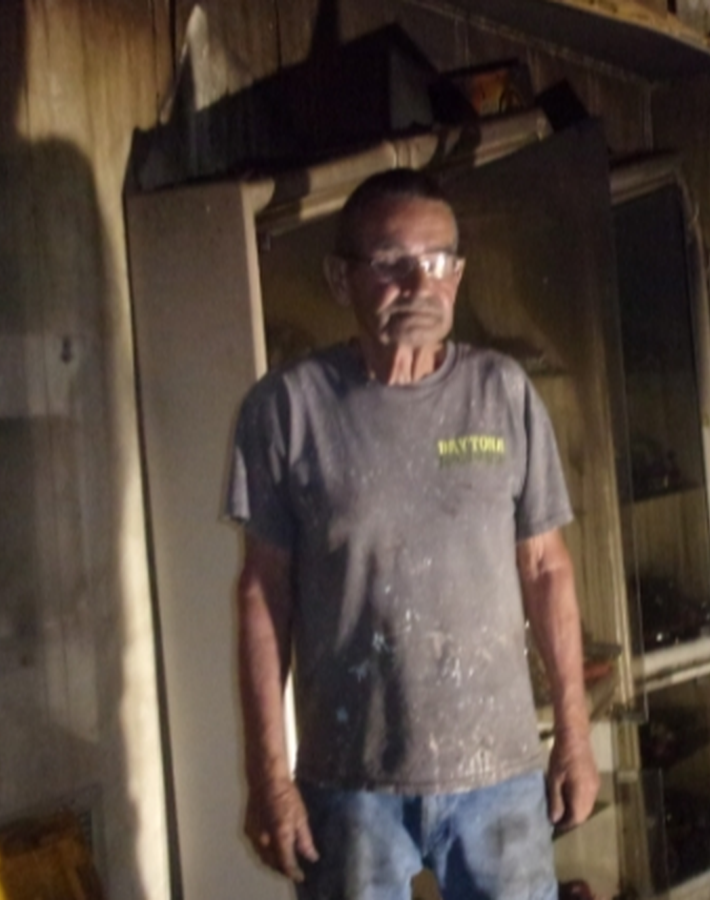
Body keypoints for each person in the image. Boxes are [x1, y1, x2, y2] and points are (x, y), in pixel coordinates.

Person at [226, 168, 599, 900]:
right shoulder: (287, 409)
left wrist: (574, 738)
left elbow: (547, 570)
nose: (418, 284)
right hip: (349, 786)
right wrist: (269, 778)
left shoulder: (502, 394)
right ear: (340, 278)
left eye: (436, 262)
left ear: (457, 276)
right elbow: (263, 597)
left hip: (499, 776)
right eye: (390, 262)